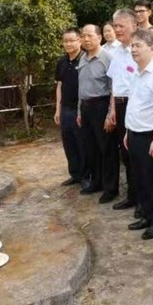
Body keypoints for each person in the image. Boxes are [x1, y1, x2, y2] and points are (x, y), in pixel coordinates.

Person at [123, 28, 153, 239]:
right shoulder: (136, 71)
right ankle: (147, 215)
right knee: (139, 178)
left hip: (150, 135)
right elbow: (133, 103)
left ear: (152, 48)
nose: (133, 50)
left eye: (138, 45)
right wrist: (127, 131)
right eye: (132, 45)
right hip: (134, 133)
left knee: (152, 181)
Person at [77, 24, 119, 203]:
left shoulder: (108, 58)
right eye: (83, 36)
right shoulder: (83, 58)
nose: (86, 39)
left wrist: (111, 113)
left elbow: (113, 88)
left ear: (99, 37)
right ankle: (96, 181)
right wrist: (79, 110)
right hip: (86, 107)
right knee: (91, 147)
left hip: (101, 106)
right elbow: (81, 87)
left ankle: (111, 188)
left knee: (107, 148)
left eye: (89, 36)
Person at [106, 8, 139, 210]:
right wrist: (112, 110)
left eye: (121, 26)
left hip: (135, 106)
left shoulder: (139, 49)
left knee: (137, 156)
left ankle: (144, 200)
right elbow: (114, 84)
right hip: (119, 104)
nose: (117, 30)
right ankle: (132, 196)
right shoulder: (116, 51)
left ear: (134, 26)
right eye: (115, 25)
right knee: (125, 154)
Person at [55, 28, 87, 187]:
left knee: (82, 143)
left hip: (80, 108)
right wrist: (57, 109)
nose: (68, 44)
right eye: (65, 41)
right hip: (66, 108)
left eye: (71, 40)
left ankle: (86, 176)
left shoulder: (85, 60)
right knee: (68, 143)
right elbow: (59, 86)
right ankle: (74, 174)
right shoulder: (61, 62)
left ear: (80, 41)